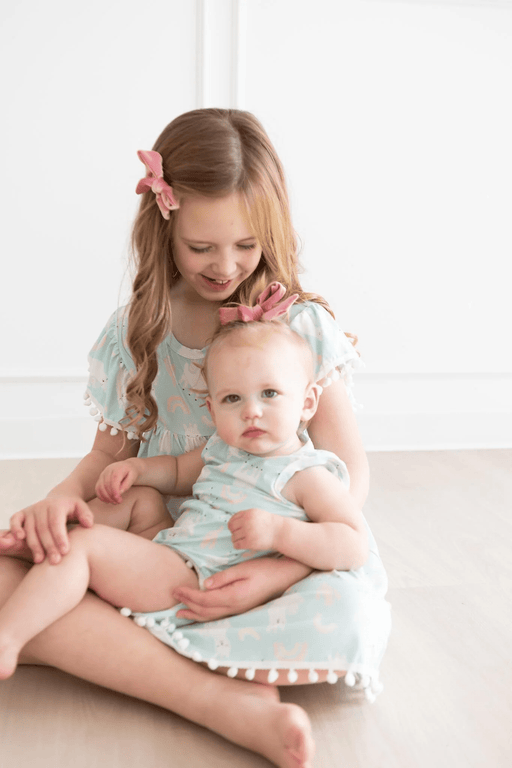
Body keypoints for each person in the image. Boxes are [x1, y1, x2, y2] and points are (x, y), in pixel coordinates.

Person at [0, 109, 390, 767]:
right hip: (162, 546)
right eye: (201, 248)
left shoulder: (300, 326)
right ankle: (219, 693)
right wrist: (56, 505)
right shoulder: (140, 328)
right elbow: (108, 456)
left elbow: (349, 474)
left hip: (277, 543)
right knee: (21, 567)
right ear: (165, 227)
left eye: (245, 245)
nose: (225, 266)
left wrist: (277, 567)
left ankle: (179, 677)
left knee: (349, 610)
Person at [0, 312, 374, 687]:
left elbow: (353, 543)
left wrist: (280, 533)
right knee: (140, 499)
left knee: (86, 547)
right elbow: (178, 472)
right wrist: (138, 470)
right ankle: (43, 545)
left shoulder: (306, 475)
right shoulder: (223, 447)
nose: (251, 411)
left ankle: (9, 636)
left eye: (270, 393)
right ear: (212, 410)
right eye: (232, 398)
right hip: (178, 548)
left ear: (308, 402)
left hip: (200, 577)